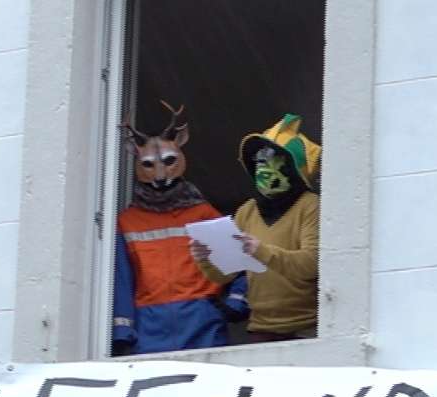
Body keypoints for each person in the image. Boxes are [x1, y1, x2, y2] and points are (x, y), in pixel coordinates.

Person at [112, 102, 247, 355]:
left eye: (169, 161)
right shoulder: (127, 222)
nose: (160, 174)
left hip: (201, 320)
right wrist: (122, 328)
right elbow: (121, 280)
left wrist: (235, 301)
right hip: (148, 326)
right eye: (149, 164)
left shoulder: (203, 213)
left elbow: (239, 265)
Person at [191, 113, 320, 342]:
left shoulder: (310, 206)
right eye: (259, 160)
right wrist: (207, 258)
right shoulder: (247, 211)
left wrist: (262, 251)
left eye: (272, 159)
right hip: (261, 328)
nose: (263, 168)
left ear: (292, 169)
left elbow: (311, 264)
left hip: (306, 329)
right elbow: (225, 275)